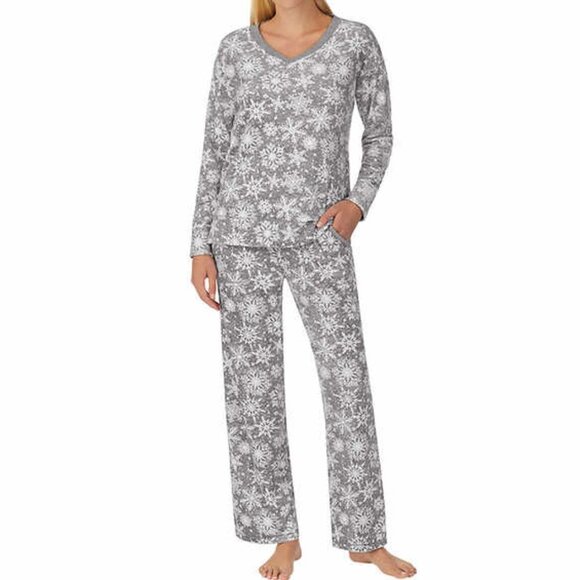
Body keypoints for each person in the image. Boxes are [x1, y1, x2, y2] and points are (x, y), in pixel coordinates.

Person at [189, 1, 416, 578]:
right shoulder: (235, 49)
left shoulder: (355, 41)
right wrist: (199, 244)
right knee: (253, 394)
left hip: (320, 236)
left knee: (347, 383)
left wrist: (357, 203)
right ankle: (281, 536)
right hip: (239, 236)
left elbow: (380, 135)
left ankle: (364, 536)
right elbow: (215, 147)